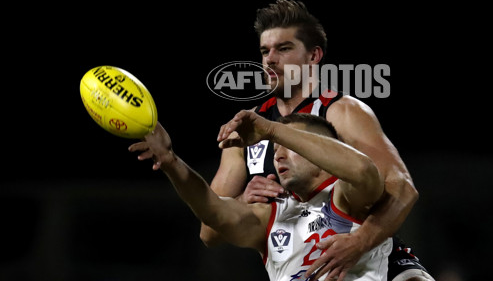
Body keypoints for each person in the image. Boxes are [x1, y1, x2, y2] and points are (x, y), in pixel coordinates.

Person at [200, 0, 434, 281]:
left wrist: (360, 242)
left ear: (313, 56)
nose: (270, 59)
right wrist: (240, 200)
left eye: (283, 49)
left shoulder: (342, 111)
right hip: (305, 269)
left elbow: (404, 189)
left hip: (370, 261)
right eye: (265, 51)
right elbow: (208, 233)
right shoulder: (245, 127)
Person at [130, 111, 393, 280]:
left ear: (321, 155)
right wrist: (171, 162)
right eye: (276, 148)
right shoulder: (271, 213)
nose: (277, 155)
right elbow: (212, 211)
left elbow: (362, 169)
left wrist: (273, 130)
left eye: (288, 147)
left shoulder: (347, 197)